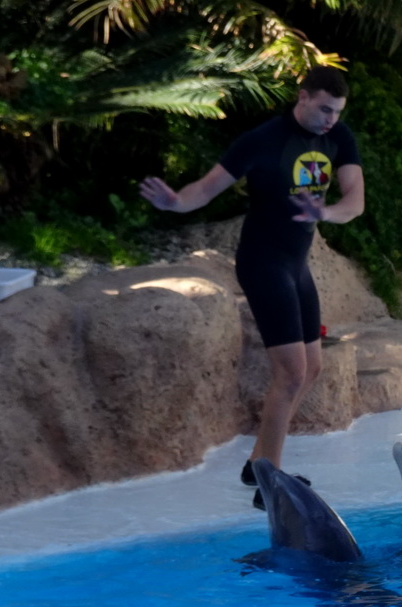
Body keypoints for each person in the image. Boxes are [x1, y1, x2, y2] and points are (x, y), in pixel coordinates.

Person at [140, 66, 365, 508]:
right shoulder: (261, 141)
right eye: (323, 109)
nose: (330, 119)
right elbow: (205, 190)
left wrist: (325, 213)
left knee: (312, 369)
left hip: (297, 266)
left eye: (336, 112)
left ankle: (257, 463)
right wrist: (175, 202)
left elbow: (354, 200)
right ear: (302, 98)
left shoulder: (338, 138)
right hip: (262, 264)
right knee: (291, 373)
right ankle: (269, 482)